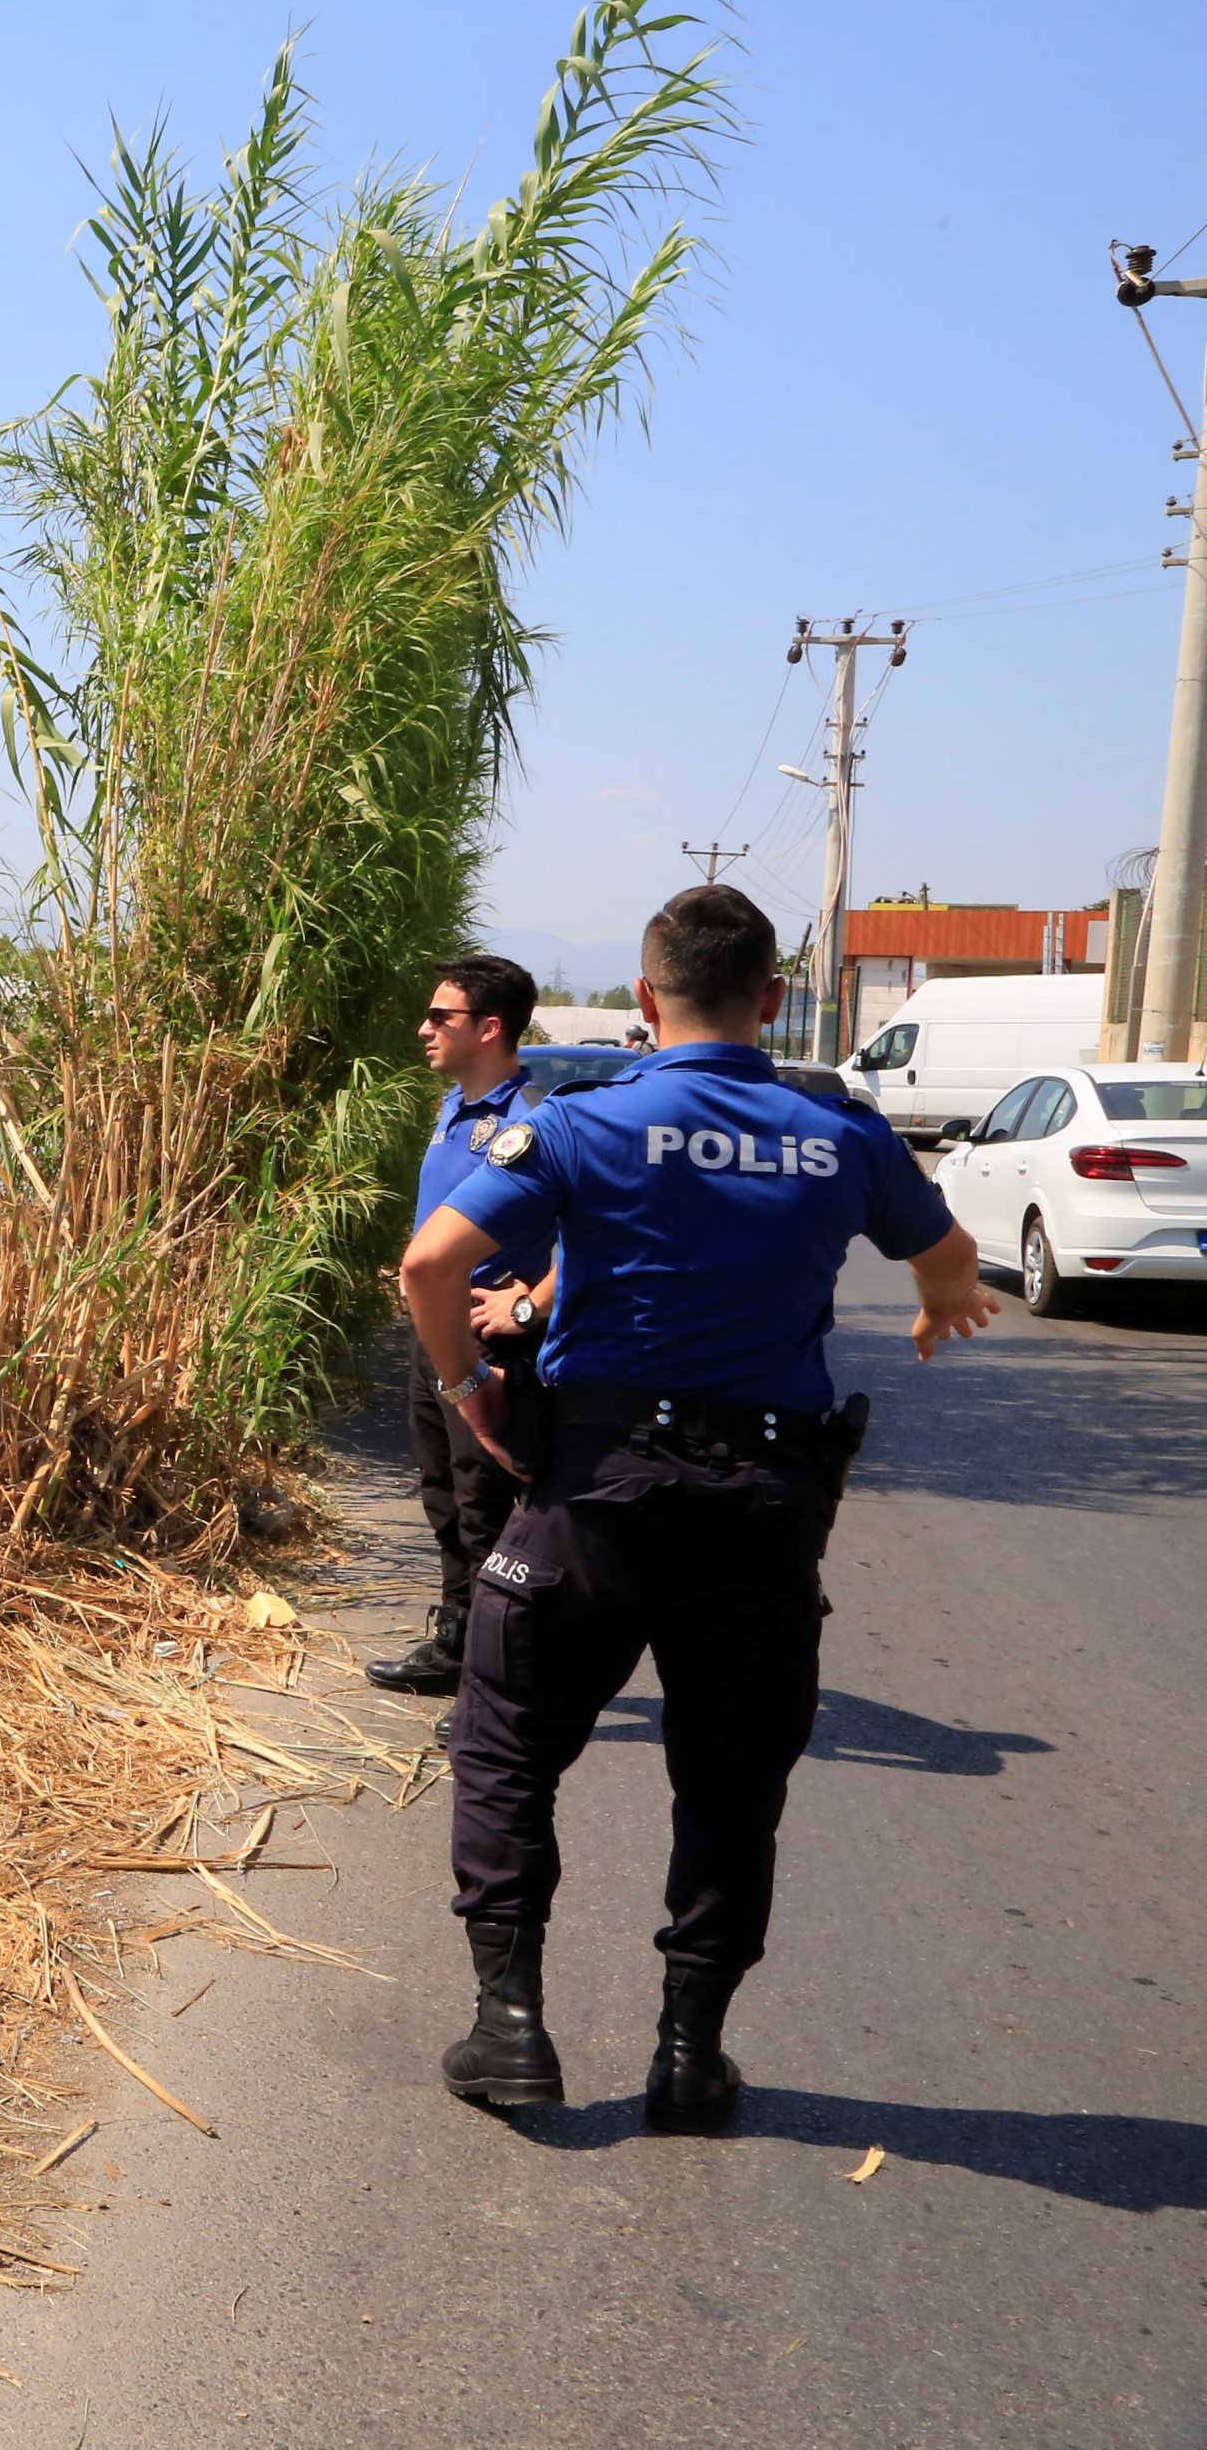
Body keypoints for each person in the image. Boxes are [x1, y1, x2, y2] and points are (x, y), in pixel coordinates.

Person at [399, 886, 995, 2132]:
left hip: (598, 1494)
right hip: (766, 1507)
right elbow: (949, 1260)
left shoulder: (584, 1124)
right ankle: (689, 2053)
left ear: (643, 992)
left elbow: (432, 1264)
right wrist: (940, 1310)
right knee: (730, 1785)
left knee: (505, 1742)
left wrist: (470, 1397)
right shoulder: (842, 1133)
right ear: (772, 1000)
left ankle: (510, 2031)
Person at [367, 954, 554, 1698]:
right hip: (433, 1331)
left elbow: (593, 1236)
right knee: (443, 1493)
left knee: (487, 1510)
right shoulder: (452, 1109)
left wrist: (528, 1302)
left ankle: (499, 1680)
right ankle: (456, 1644)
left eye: (440, 1017)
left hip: (488, 1337)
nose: (424, 1029)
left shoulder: (533, 1120)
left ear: (490, 1027)